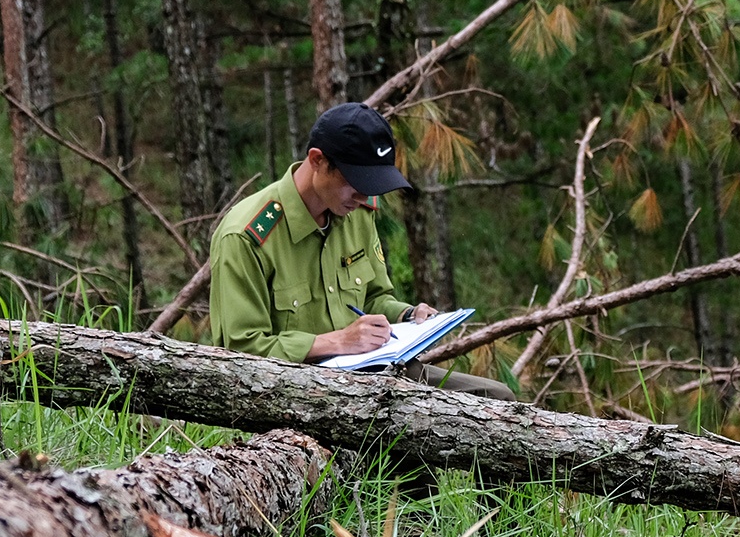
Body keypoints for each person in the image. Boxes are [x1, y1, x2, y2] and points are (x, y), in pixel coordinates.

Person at [209, 102, 515, 400]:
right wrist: (335, 342)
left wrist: (408, 315)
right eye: (356, 182)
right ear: (317, 161)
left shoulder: (355, 212)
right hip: (295, 389)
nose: (364, 196)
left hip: (372, 372)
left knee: (495, 397)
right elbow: (239, 351)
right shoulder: (247, 236)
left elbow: (373, 297)